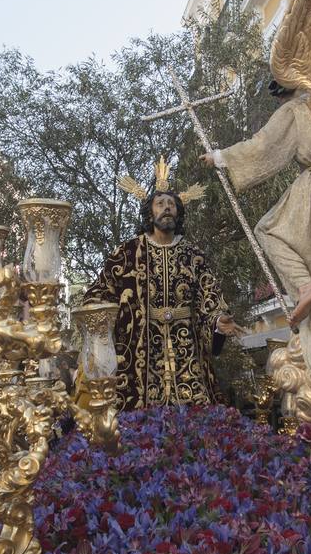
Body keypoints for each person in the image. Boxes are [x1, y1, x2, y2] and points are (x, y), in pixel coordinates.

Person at [82, 161, 241, 409]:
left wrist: (218, 321)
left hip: (187, 351)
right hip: (141, 351)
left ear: (178, 213)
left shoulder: (193, 255)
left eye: (172, 205)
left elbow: (209, 296)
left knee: (196, 417)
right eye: (160, 204)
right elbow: (100, 292)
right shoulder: (128, 253)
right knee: (141, 419)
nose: (167, 208)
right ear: (149, 213)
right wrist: (96, 320)